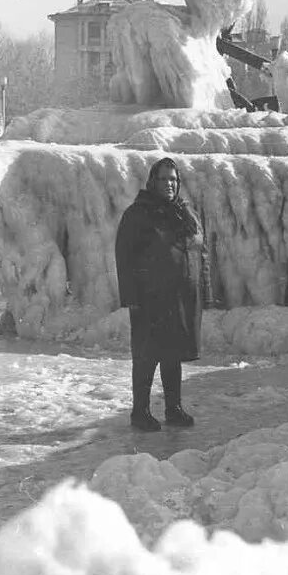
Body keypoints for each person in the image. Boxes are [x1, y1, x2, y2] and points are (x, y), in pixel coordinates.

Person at [115, 157, 208, 432]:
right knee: (146, 355)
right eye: (164, 179)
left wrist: (205, 290)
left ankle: (173, 408)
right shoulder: (138, 214)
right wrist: (131, 298)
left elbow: (200, 253)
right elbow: (124, 256)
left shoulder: (184, 212)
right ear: (152, 182)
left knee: (172, 353)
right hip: (149, 300)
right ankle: (140, 411)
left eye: (173, 180)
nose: (169, 184)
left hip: (180, 299)